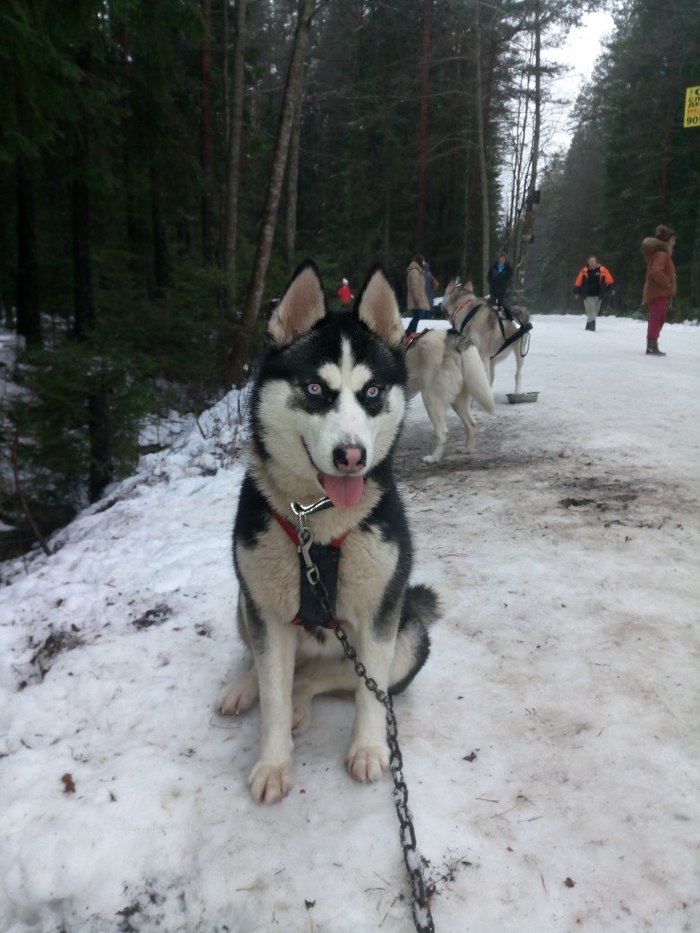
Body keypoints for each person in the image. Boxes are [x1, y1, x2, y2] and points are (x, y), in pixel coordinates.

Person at [641, 224, 677, 356]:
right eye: (673, 239)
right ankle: (651, 345)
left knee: (659, 317)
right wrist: (667, 281)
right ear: (667, 240)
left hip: (658, 292)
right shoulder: (662, 254)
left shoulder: (661, 253)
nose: (674, 242)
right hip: (657, 292)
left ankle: (653, 343)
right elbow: (656, 272)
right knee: (657, 317)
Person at [573, 256, 615, 331]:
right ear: (588, 262)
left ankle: (588, 325)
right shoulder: (584, 271)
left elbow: (609, 281)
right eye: (590, 261)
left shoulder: (602, 270)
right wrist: (576, 292)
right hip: (587, 295)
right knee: (591, 311)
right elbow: (578, 282)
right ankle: (592, 329)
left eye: (593, 261)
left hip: (599, 295)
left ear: (596, 262)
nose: (592, 263)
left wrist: (611, 288)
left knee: (595, 312)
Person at [406, 254, 430, 334]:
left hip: (418, 299)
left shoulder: (418, 271)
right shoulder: (415, 272)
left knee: (417, 317)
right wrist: (417, 299)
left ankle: (411, 331)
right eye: (423, 261)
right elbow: (414, 287)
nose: (424, 263)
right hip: (416, 300)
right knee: (416, 317)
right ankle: (410, 332)